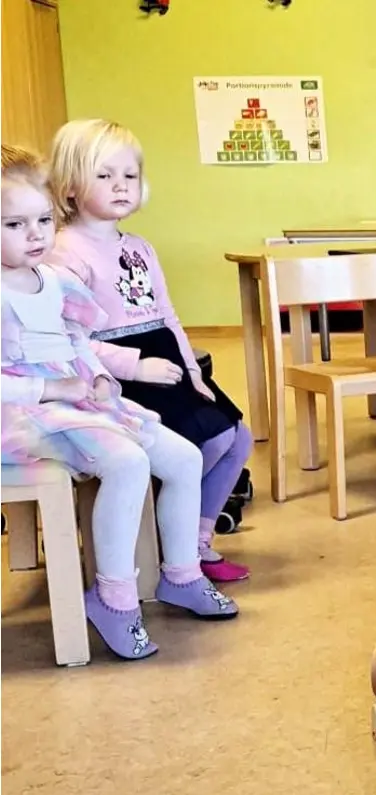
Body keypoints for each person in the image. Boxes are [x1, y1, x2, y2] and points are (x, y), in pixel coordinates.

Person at [2, 144, 238, 660]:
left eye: (42, 219)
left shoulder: (56, 280)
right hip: (25, 413)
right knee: (129, 463)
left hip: (78, 399)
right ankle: (115, 599)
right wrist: (51, 388)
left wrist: (100, 378)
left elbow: (79, 343)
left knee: (185, 458)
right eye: (14, 225)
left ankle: (180, 574)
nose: (37, 234)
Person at [47, 119, 251, 582]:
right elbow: (69, 340)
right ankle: (175, 545)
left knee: (237, 438)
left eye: (130, 175)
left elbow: (168, 315)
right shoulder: (65, 253)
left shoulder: (140, 247)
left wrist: (192, 371)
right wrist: (135, 366)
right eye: (104, 175)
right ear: (71, 187)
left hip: (166, 362)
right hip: (119, 375)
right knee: (211, 440)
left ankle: (196, 540)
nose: (121, 185)